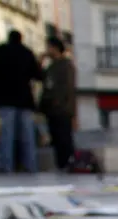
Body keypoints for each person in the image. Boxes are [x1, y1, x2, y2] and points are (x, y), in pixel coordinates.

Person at [0, 30, 41, 173]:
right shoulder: (27, 53)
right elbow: (37, 75)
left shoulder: (1, 51)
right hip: (24, 99)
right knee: (27, 135)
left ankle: (6, 165)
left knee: (6, 134)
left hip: (6, 99)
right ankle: (30, 165)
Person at [40, 36, 76, 171]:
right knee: (56, 138)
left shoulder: (66, 65)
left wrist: (63, 105)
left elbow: (68, 87)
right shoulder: (51, 66)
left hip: (62, 109)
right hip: (52, 109)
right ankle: (61, 165)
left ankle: (68, 164)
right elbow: (41, 77)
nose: (47, 50)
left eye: (49, 47)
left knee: (64, 138)